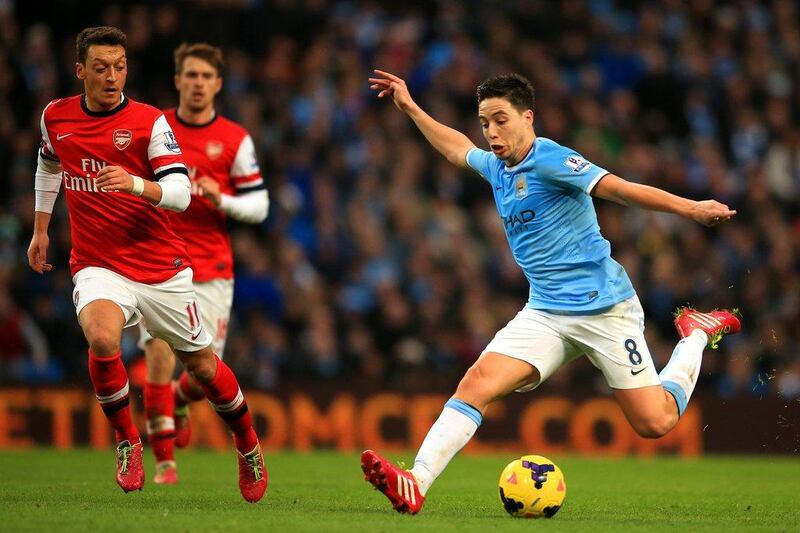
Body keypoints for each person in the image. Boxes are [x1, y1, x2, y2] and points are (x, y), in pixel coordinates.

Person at [361, 70, 741, 514]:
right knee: (476, 383)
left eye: (500, 120)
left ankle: (695, 333)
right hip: (545, 311)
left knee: (655, 422)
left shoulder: (552, 159)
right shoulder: (497, 167)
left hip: (605, 309)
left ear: (528, 117)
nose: (491, 132)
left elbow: (619, 189)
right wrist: (408, 105)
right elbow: (456, 149)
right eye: (485, 123)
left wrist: (691, 208)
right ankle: (416, 481)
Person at [27, 26, 267, 502]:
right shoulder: (56, 117)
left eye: (119, 67)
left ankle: (247, 442)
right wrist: (40, 229)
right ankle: (127, 439)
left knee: (202, 368)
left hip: (161, 267)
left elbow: (179, 193)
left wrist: (135, 184)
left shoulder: (149, 122)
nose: (111, 76)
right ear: (81, 72)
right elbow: (49, 163)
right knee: (100, 335)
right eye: (100, 68)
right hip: (98, 263)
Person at [139, 43, 269, 485]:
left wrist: (223, 198)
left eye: (206, 77)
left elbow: (260, 206)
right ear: (177, 79)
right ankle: (164, 466)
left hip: (212, 267)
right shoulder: (154, 128)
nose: (197, 83)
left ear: (218, 83)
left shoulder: (235, 139)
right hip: (158, 261)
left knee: (204, 369)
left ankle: (179, 398)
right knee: (157, 357)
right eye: (190, 75)